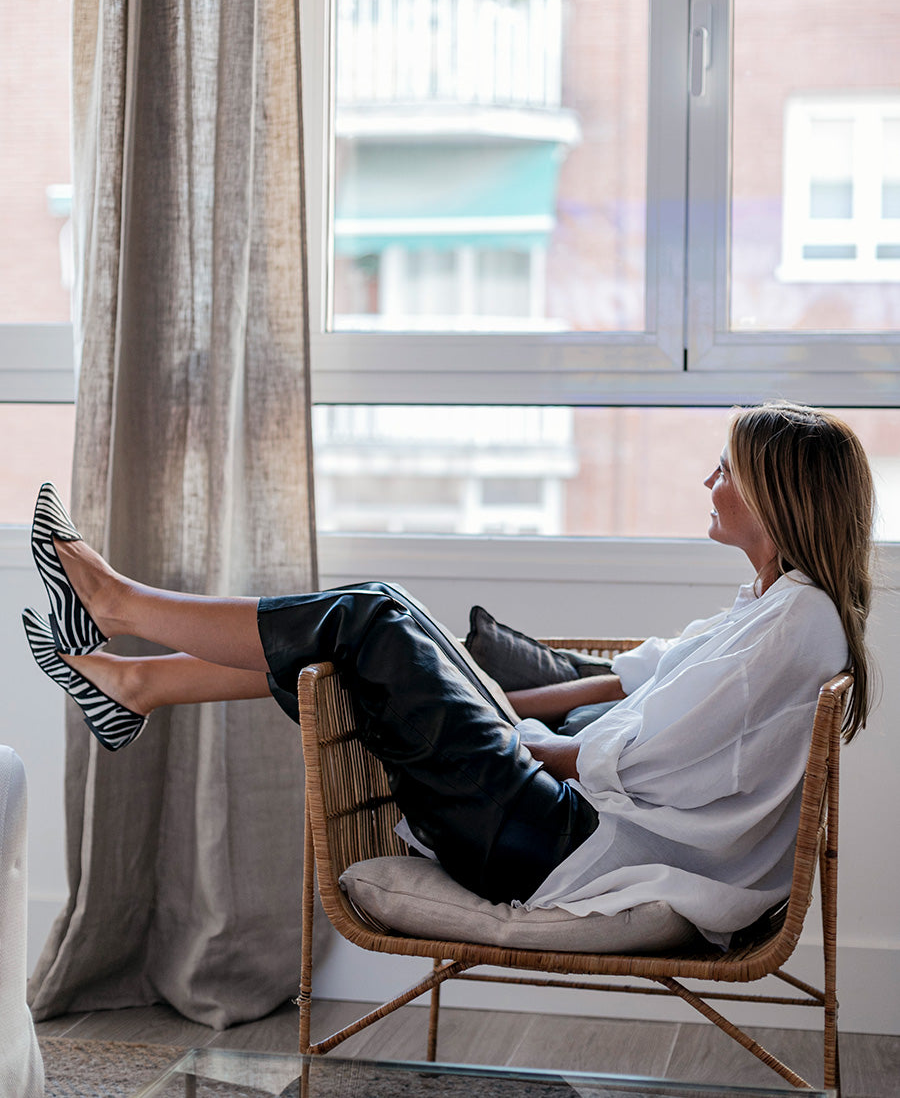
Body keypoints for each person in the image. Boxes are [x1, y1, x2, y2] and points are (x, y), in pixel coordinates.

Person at [24, 401, 874, 943]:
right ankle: (136, 685)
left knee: (375, 615)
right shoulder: (773, 604)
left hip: (564, 846)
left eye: (726, 469)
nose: (708, 479)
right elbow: (633, 677)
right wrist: (494, 697)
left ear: (773, 493)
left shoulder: (795, 623)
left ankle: (121, 609)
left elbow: (651, 757)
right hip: (559, 816)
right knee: (381, 633)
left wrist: (516, 739)